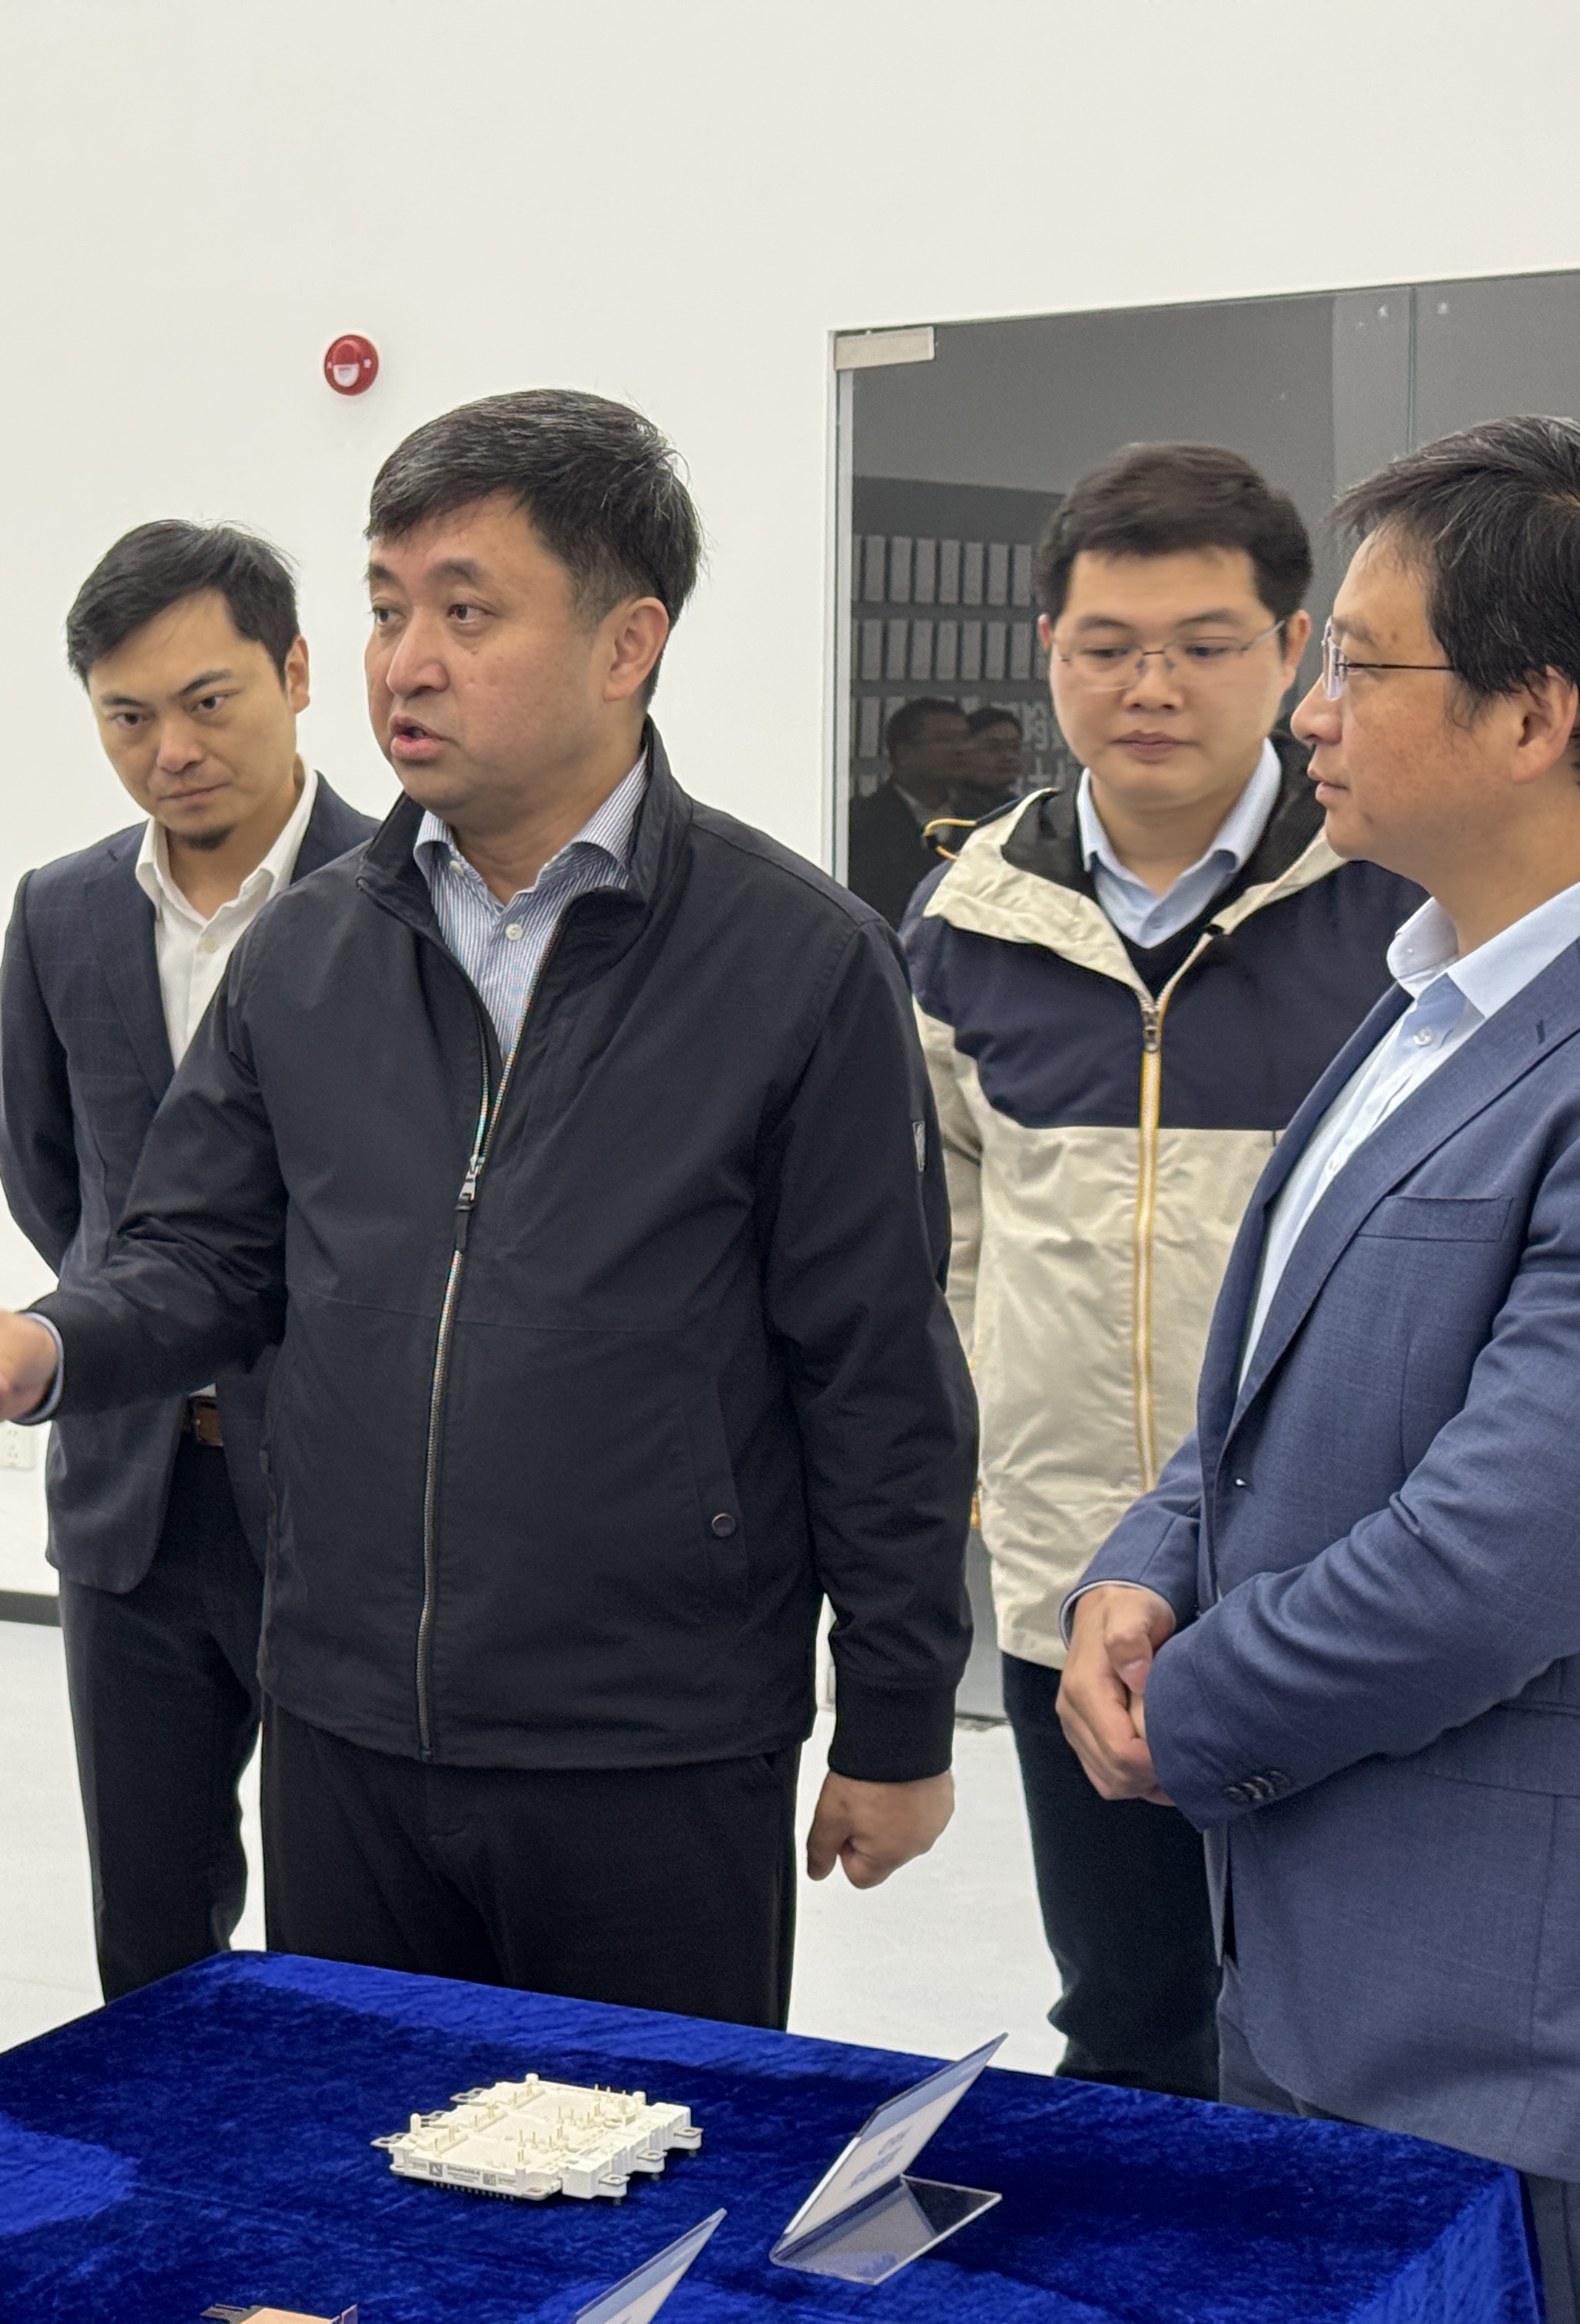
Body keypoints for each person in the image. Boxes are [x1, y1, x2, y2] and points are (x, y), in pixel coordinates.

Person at [0, 389, 974, 2027]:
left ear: (626, 643)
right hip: (346, 1722)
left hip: (651, 1735)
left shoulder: (797, 960)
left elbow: (875, 1365)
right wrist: (53, 1345)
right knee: (356, 2164)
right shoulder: (309, 948)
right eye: (385, 607)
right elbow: (201, 1250)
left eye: (466, 613)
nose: (404, 663)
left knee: (640, 2163)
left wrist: (898, 1717)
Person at [1064, 415, 1580, 2324]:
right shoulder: (1430, 999)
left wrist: (1184, 1711)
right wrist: (1142, 1567)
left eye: (1359, 664)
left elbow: (1494, 1560)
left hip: (1501, 2044)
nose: (1309, 715)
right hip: (1306, 1981)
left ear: (1535, 715)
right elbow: (1265, 1392)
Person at [905, 444, 1419, 2102]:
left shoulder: (1403, 901)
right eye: (1107, 646)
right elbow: (942, 1237)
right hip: (1068, 1570)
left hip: (1332, 1569)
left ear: (1292, 651)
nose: (1152, 688)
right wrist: (980, 1469)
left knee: (1352, 2029)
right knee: (1127, 2018)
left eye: (1205, 645)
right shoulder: (966, 918)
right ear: (1045, 650)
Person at [0, 519, 374, 2000]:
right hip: (134, 1497)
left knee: (351, 1932)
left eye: (209, 701)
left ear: (295, 673)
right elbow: (52, 1176)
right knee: (148, 1934)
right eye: (127, 716)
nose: (172, 750)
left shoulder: (401, 892)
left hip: (346, 1491)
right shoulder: (62, 908)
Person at [847, 695, 971, 923]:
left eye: (964, 739)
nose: (960, 750)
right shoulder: (862, 823)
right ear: (904, 753)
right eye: (945, 740)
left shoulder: (982, 817)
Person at [961, 702, 1029, 810]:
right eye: (994, 748)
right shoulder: (949, 809)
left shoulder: (1022, 809)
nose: (1009, 757)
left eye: (1015, 747)